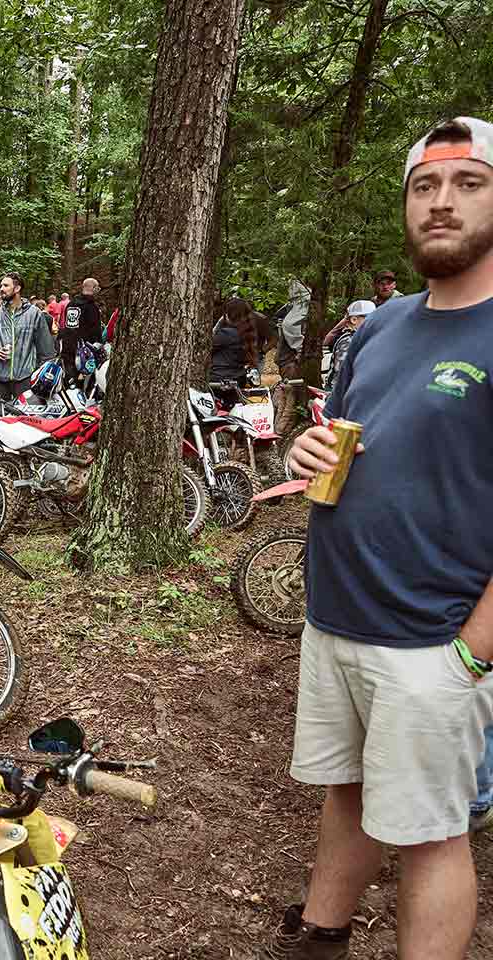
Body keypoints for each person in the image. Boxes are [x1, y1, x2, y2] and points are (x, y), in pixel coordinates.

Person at [271, 116, 493, 960]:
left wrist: (473, 652)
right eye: (425, 186)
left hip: (434, 639)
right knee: (348, 790)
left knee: (432, 833)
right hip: (337, 621)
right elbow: (354, 440)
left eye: (468, 184)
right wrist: (306, 450)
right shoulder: (383, 325)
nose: (442, 202)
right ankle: (320, 936)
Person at [0, 273, 57, 399]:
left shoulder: (34, 314)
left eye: (5, 285)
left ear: (17, 288)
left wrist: (40, 376)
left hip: (25, 380)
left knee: (23, 418)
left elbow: (47, 351)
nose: (1, 289)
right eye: (1, 285)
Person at [274, 279, 311, 436]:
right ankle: (282, 436)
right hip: (290, 364)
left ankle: (281, 434)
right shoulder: (295, 311)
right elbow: (290, 327)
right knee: (291, 404)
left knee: (287, 402)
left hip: (288, 362)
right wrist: (301, 348)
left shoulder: (292, 309)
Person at [322, 300, 375, 389]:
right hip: (338, 392)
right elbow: (343, 372)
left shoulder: (361, 340)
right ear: (354, 320)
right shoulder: (348, 341)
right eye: (369, 318)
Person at [58, 278, 103, 380]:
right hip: (85, 354)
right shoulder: (91, 307)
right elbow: (95, 331)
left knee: (69, 379)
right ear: (94, 289)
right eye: (98, 288)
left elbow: (67, 325)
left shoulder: (71, 304)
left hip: (68, 348)